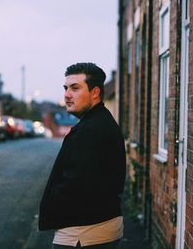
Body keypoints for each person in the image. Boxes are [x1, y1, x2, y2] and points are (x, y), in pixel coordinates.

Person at [39, 62, 126, 248]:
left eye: (75, 88)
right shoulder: (98, 122)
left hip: (83, 232)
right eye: (66, 88)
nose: (67, 94)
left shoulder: (92, 129)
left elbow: (78, 183)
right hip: (93, 227)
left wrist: (53, 200)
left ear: (95, 93)